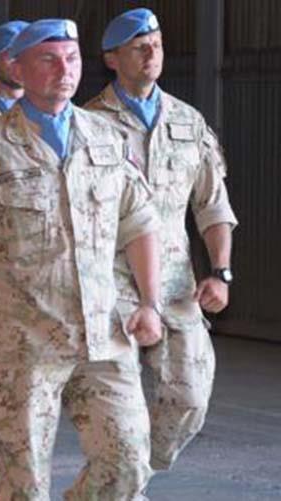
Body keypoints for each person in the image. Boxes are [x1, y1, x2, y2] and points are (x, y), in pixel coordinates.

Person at [0, 18, 163, 500]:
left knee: (128, 463)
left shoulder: (106, 138)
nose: (64, 70)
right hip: (21, 346)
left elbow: (140, 224)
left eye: (72, 59)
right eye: (49, 59)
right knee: (22, 482)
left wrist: (150, 302)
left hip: (103, 335)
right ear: (18, 69)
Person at [85, 7, 238, 473]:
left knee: (190, 399)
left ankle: (130, 475)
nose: (151, 53)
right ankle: (122, 480)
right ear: (112, 59)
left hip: (175, 286)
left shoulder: (188, 122)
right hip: (111, 287)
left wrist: (220, 272)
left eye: (157, 44)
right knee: (121, 412)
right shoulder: (89, 125)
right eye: (139, 47)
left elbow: (212, 206)